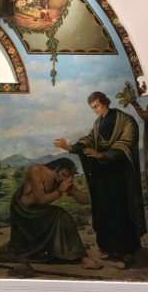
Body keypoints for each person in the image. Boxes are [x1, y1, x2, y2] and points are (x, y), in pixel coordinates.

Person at [54, 91, 146, 267]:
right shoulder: (98, 123)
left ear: (105, 102)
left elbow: (125, 144)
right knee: (105, 211)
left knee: (121, 213)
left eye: (96, 106)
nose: (95, 110)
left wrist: (101, 154)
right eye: (92, 108)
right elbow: (89, 140)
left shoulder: (125, 120)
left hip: (121, 178)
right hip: (104, 177)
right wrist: (71, 147)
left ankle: (127, 254)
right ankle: (110, 249)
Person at [0, 158, 104, 269]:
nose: (64, 178)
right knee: (59, 215)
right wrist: (60, 190)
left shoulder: (61, 181)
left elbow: (85, 201)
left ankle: (82, 257)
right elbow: (42, 199)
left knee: (63, 216)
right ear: (56, 168)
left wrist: (73, 191)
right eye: (63, 174)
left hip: (39, 210)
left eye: (68, 177)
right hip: (23, 212)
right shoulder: (37, 170)